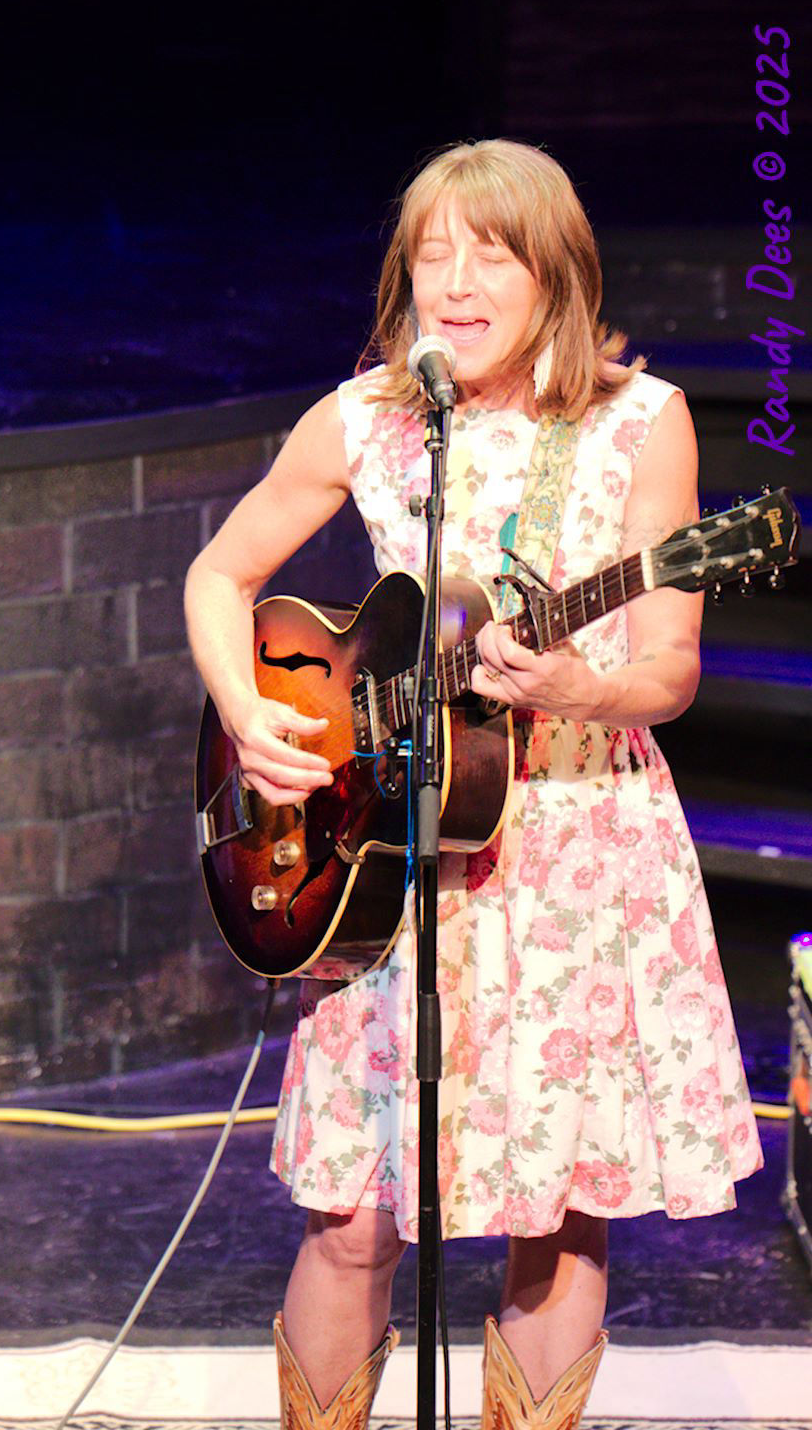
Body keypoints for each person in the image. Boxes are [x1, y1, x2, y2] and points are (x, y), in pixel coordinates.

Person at [184, 140, 760, 1430]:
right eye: (431, 252)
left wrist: (577, 689)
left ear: (554, 272)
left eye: (488, 251)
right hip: (391, 858)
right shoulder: (365, 417)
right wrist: (249, 712)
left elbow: (666, 665)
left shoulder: (640, 422)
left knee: (554, 1225)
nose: (455, 279)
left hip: (577, 851)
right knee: (354, 1218)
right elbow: (218, 576)